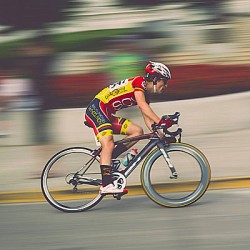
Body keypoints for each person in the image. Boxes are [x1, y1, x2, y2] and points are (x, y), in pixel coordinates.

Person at [84, 61, 171, 194]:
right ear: (155, 79)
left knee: (137, 131)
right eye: (164, 81)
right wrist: (161, 120)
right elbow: (142, 106)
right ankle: (106, 185)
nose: (165, 85)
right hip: (97, 109)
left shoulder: (145, 94)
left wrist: (160, 134)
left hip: (106, 114)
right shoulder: (139, 82)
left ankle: (109, 159)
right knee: (108, 143)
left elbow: (147, 119)